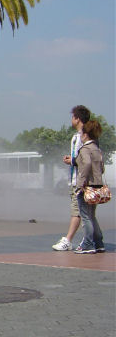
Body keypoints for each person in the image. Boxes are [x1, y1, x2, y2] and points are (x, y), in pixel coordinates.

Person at [52, 105, 91, 252]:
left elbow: (87, 159)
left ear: (77, 118)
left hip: (80, 181)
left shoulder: (84, 136)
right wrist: (73, 159)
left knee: (78, 212)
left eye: (72, 117)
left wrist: (73, 161)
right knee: (86, 214)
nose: (71, 120)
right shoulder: (78, 136)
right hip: (76, 179)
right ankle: (96, 240)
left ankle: (69, 240)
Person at [74, 120, 105, 254]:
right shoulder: (97, 149)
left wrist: (81, 183)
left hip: (86, 187)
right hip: (97, 186)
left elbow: (86, 164)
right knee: (92, 215)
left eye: (82, 134)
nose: (80, 136)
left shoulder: (85, 149)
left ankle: (88, 244)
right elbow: (101, 168)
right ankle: (98, 243)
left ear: (86, 135)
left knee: (85, 216)